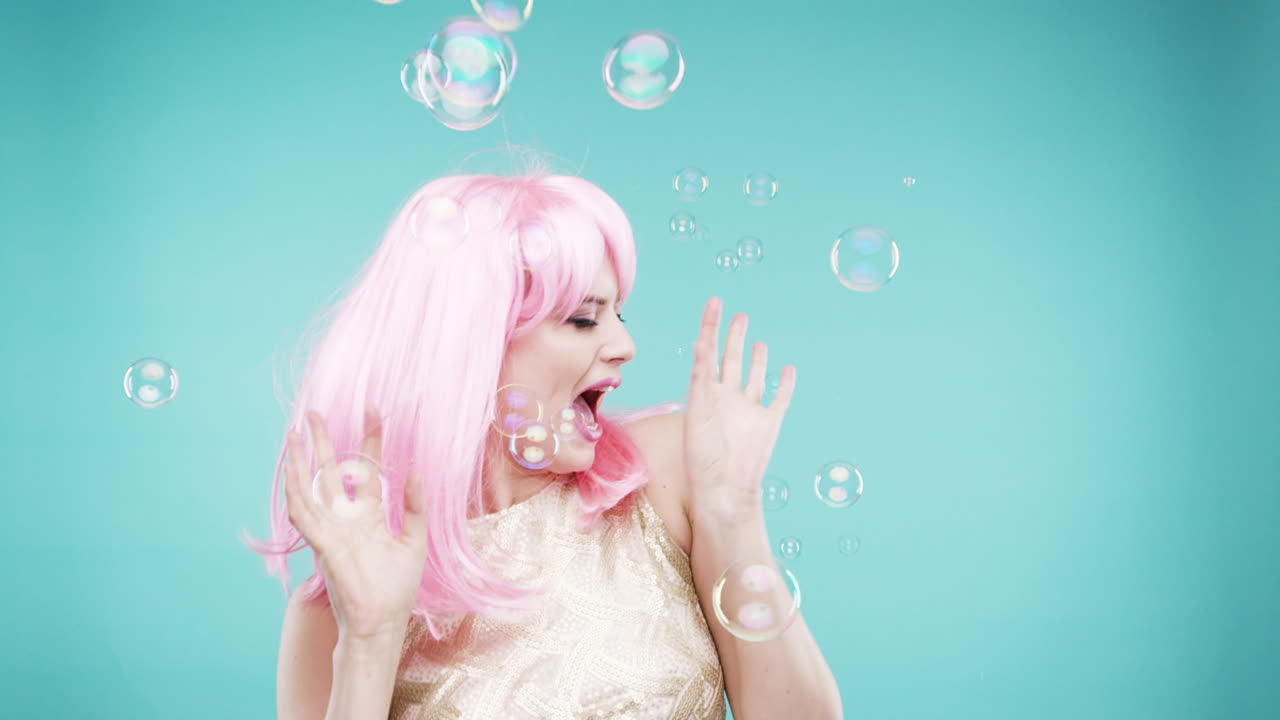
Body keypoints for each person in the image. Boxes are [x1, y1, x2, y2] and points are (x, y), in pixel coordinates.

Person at [243, 158, 843, 719]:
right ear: (476, 343)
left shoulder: (668, 474)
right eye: (583, 318)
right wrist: (369, 641)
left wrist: (732, 511)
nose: (624, 346)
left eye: (618, 314)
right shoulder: (338, 603)